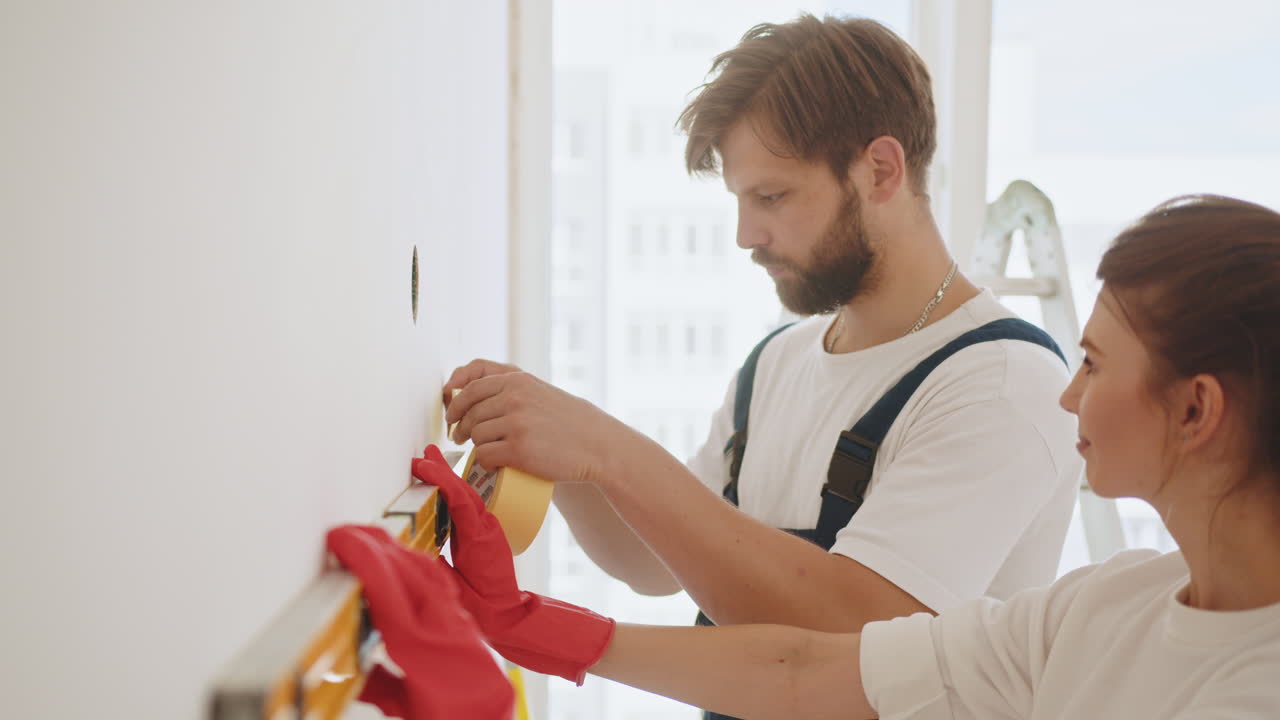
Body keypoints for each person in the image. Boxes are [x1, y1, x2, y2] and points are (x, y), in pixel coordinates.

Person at [337, 194, 1280, 719]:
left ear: (1196, 409)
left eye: (1097, 362)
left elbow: (843, 623)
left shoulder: (1254, 682)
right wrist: (524, 622)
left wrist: (604, 447)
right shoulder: (1102, 607)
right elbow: (803, 670)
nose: (1071, 391)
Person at [444, 16, 1080, 718]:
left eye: (771, 197)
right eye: (739, 200)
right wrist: (553, 454)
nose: (746, 235)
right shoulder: (778, 361)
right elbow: (654, 564)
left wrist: (605, 446)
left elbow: (853, 631)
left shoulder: (1001, 384)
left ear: (881, 170)